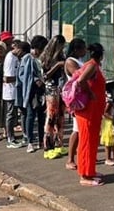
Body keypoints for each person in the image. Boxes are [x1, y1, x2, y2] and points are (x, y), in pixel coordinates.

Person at [75, 43, 108, 186]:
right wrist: (90, 93)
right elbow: (81, 81)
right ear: (101, 55)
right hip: (88, 110)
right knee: (87, 141)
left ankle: (90, 170)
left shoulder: (92, 64)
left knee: (92, 141)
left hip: (93, 111)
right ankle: (85, 176)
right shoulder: (92, 65)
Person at [17, 35, 47, 152]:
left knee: (41, 116)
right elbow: (22, 74)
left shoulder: (42, 58)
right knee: (30, 115)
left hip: (42, 90)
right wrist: (35, 80)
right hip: (31, 90)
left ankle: (41, 140)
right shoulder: (27, 58)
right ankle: (29, 141)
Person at [63, 38, 88, 169]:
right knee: (77, 129)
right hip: (77, 98)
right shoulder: (71, 62)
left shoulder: (81, 61)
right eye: (83, 48)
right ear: (76, 49)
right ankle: (70, 158)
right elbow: (78, 76)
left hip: (84, 98)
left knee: (82, 129)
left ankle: (82, 155)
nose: (85, 51)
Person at [40, 35, 67, 154]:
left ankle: (58, 142)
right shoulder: (46, 58)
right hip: (51, 89)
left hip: (61, 88)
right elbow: (45, 76)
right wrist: (57, 66)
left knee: (60, 116)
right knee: (51, 116)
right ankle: (47, 143)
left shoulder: (62, 55)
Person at [3, 38, 25, 148]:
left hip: (16, 90)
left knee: (16, 114)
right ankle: (10, 138)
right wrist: (21, 78)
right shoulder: (10, 58)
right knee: (10, 114)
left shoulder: (16, 58)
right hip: (10, 91)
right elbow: (7, 78)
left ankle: (15, 136)